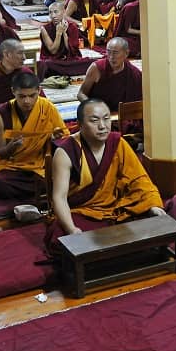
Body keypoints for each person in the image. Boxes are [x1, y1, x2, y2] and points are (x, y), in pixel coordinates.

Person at [46, 99, 164, 249]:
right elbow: (59, 198)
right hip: (83, 212)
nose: (102, 126)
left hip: (116, 207)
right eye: (94, 120)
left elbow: (139, 180)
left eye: (106, 119)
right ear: (80, 124)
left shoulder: (118, 143)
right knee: (59, 233)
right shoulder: (66, 152)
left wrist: (152, 206)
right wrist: (72, 230)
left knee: (170, 212)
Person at [0, 71, 68, 199]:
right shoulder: (0, 115)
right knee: (0, 184)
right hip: (12, 166)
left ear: (39, 90)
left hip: (40, 164)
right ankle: (45, 189)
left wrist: (54, 137)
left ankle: (42, 188)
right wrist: (11, 147)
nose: (27, 101)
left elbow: (65, 141)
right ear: (13, 92)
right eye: (21, 96)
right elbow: (0, 153)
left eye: (32, 96)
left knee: (68, 174)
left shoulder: (47, 107)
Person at [77, 37, 143, 114]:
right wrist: (94, 107)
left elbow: (141, 100)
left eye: (115, 53)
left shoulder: (134, 73)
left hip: (121, 115)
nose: (111, 57)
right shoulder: (97, 68)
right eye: (108, 52)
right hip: (98, 114)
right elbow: (81, 94)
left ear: (126, 53)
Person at [38, 2, 91, 78]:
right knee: (46, 64)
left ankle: (62, 71)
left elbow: (73, 51)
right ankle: (66, 71)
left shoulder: (72, 27)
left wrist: (65, 34)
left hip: (68, 60)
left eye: (56, 12)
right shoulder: (44, 29)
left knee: (88, 62)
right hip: (53, 61)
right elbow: (53, 51)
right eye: (50, 13)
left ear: (63, 12)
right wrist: (59, 33)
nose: (53, 16)